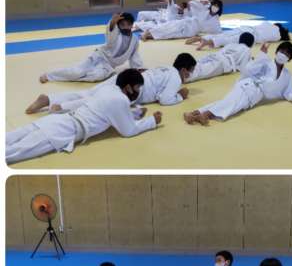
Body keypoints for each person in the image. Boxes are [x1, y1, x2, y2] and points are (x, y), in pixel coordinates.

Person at [6, 69, 162, 164]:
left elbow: (104, 109)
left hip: (59, 120)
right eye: (137, 87)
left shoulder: (108, 90)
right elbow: (129, 131)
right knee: (17, 151)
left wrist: (135, 113)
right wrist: (151, 121)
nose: (138, 91)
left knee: (15, 135)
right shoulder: (120, 100)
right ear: (128, 87)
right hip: (63, 131)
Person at [183, 41, 292, 125]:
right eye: (282, 51)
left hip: (255, 97)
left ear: (290, 59)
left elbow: (289, 93)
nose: (283, 55)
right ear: (276, 51)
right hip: (248, 86)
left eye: (287, 54)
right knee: (232, 105)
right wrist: (262, 55)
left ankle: (194, 113)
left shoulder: (287, 76)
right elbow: (249, 69)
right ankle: (204, 115)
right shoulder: (265, 62)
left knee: (228, 103)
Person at [25, 53, 196, 115]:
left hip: (125, 77)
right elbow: (165, 99)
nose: (190, 75)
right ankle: (60, 107)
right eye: (190, 71)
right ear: (183, 70)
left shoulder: (165, 67)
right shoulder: (175, 77)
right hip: (133, 89)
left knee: (89, 93)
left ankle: (49, 99)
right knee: (97, 102)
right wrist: (180, 96)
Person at [39, 13, 143, 83]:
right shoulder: (116, 34)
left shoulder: (134, 40)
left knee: (96, 77)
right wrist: (112, 23)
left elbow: (135, 56)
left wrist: (138, 69)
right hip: (99, 56)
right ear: (118, 26)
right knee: (77, 72)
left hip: (109, 66)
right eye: (122, 25)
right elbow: (110, 39)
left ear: (132, 25)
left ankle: (77, 77)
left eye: (128, 24)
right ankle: (50, 75)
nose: (125, 27)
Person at [141, 0, 223, 41]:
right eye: (214, 5)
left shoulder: (216, 22)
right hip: (187, 22)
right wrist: (203, 1)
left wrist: (200, 37)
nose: (215, 7)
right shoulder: (205, 8)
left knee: (170, 35)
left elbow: (217, 33)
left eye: (217, 6)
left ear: (219, 9)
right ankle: (148, 32)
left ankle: (149, 36)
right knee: (169, 27)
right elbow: (191, 3)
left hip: (191, 32)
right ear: (211, 5)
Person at [187, 32, 254, 83]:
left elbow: (221, 52)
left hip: (215, 56)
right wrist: (250, 61)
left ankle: (183, 68)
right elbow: (243, 67)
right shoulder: (247, 50)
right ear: (251, 45)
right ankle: (185, 77)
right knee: (202, 71)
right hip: (223, 63)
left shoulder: (231, 44)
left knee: (197, 63)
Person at [187, 21, 290, 50]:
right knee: (228, 40)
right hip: (250, 36)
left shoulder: (267, 24)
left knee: (225, 34)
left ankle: (202, 38)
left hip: (245, 29)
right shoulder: (277, 36)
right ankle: (208, 42)